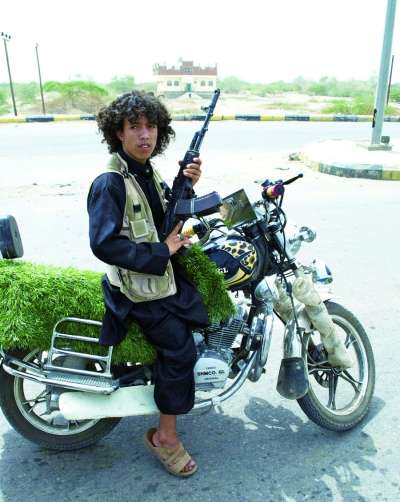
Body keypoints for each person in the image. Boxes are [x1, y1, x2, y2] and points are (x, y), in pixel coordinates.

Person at [87, 90, 208, 477]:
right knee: (180, 352)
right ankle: (166, 438)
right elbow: (103, 243)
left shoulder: (144, 170)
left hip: (158, 278)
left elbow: (162, 215)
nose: (145, 134)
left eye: (151, 126)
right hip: (136, 290)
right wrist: (162, 250)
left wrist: (186, 184)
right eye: (135, 127)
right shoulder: (110, 182)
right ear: (118, 133)